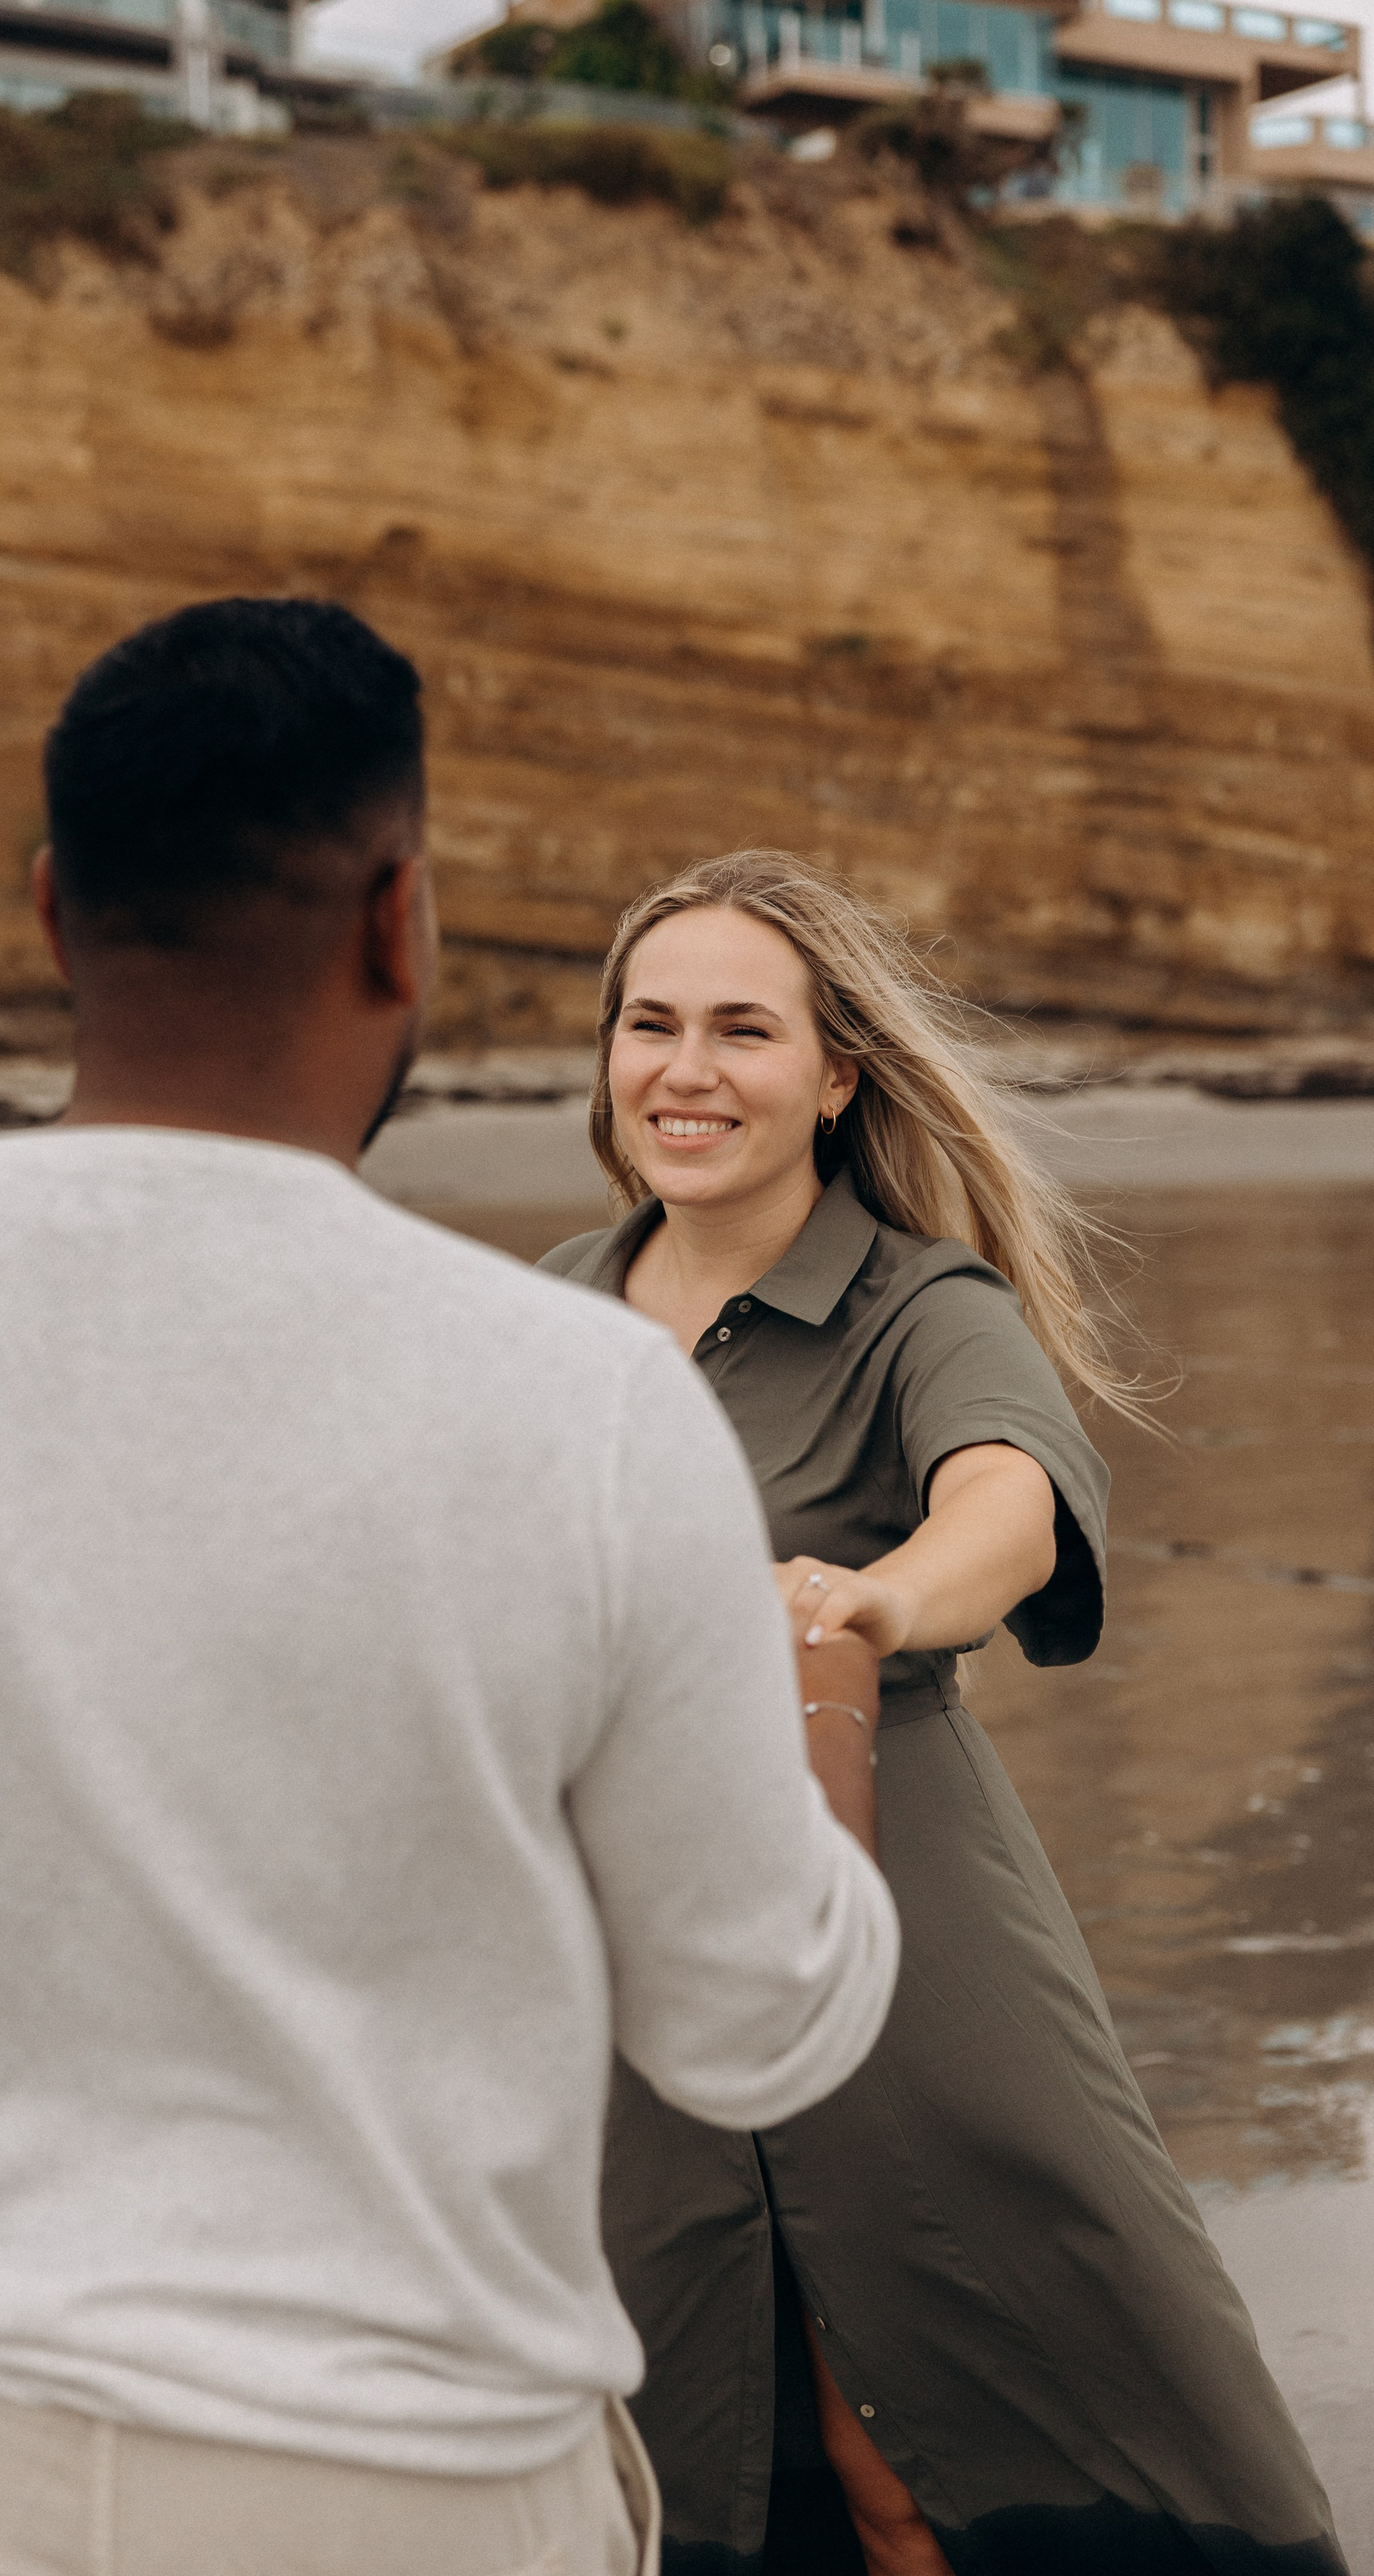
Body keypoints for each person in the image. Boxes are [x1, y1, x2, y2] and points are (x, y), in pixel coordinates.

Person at [0, 604, 901, 2576]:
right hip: (414, 2492)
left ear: (57, 916)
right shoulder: (582, 1407)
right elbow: (758, 2030)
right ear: (400, 919)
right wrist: (824, 1714)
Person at [539, 851, 1346, 2576]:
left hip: (900, 1928)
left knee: (925, 2453)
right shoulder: (544, 1320)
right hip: (619, 1959)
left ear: (835, 1076)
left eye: (741, 1031)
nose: (683, 1070)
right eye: (649, 1023)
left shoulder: (923, 1304)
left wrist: (874, 1597)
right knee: (687, 2441)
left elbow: (1009, 1502)